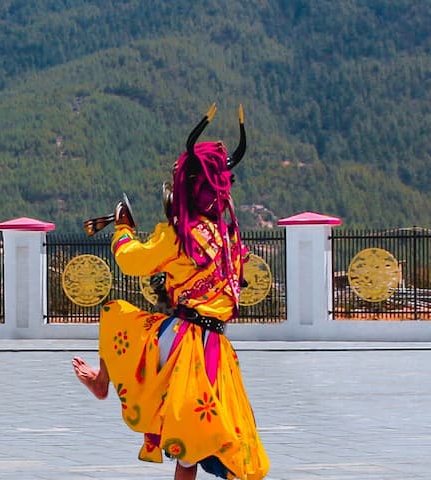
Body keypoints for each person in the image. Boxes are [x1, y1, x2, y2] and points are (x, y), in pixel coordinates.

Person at [73, 104, 269, 480]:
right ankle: (103, 383)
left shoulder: (179, 234)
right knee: (192, 443)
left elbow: (131, 261)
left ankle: (102, 382)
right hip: (217, 346)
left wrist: (122, 230)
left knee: (117, 315)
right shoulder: (229, 238)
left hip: (181, 342)